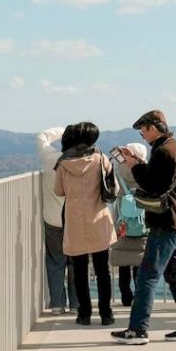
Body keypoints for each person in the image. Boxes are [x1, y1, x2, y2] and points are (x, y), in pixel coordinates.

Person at [109, 110, 176, 343]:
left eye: (143, 131)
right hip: (175, 218)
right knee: (175, 274)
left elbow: (153, 184)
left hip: (164, 220)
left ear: (153, 128)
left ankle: (138, 329)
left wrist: (134, 167)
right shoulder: (173, 147)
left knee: (148, 275)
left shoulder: (163, 152)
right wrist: (138, 162)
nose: (142, 136)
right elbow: (160, 179)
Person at [54, 121, 119, 326]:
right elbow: (113, 188)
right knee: (102, 271)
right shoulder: (101, 160)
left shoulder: (63, 163)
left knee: (79, 271)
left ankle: (84, 314)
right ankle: (106, 314)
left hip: (74, 221)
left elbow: (58, 191)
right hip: (97, 218)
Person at [42, 126, 77, 315]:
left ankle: (57, 304)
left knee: (55, 261)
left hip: (53, 220)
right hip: (76, 220)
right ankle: (76, 304)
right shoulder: (82, 161)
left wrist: (64, 129)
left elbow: (41, 137)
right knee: (76, 262)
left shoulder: (51, 158)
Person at [110, 142, 150, 306]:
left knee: (123, 257)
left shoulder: (120, 167)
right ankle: (140, 295)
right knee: (140, 257)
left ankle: (126, 295)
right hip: (142, 213)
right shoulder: (145, 169)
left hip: (122, 214)